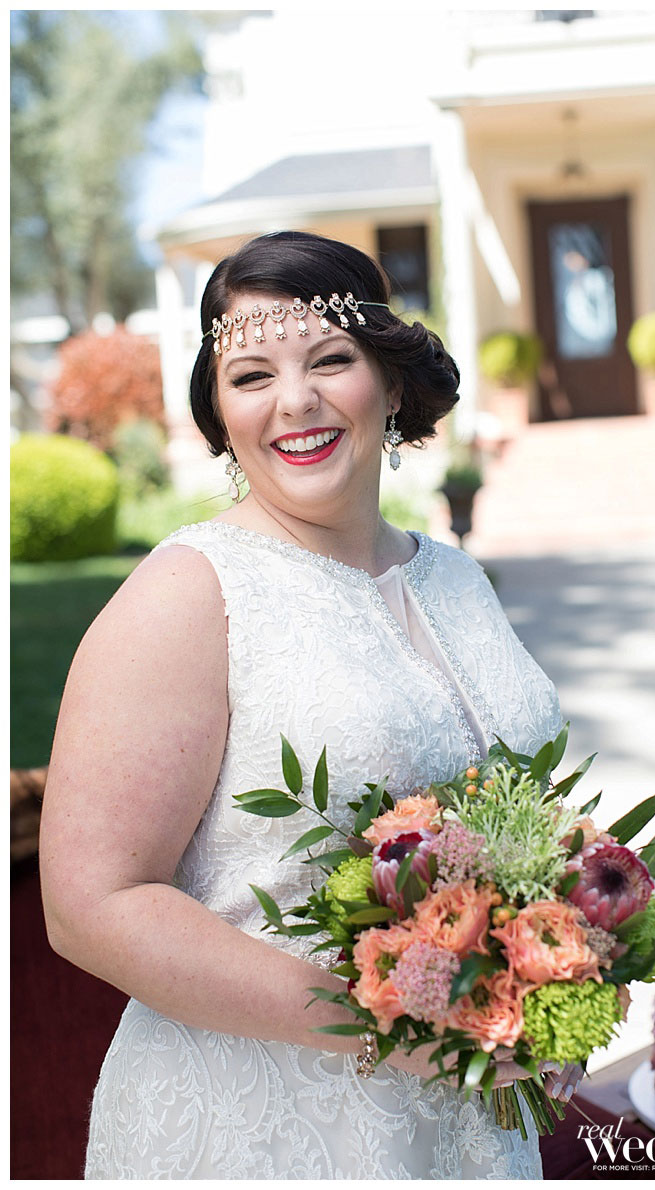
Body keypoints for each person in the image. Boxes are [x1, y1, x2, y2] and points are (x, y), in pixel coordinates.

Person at [39, 231, 574, 1180]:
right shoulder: (187, 593)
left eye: (330, 360)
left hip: (473, 1116)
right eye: (252, 376)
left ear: (392, 382)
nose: (294, 401)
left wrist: (553, 983)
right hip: (264, 1128)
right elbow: (91, 905)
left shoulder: (455, 576)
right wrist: (395, 1026)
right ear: (221, 413)